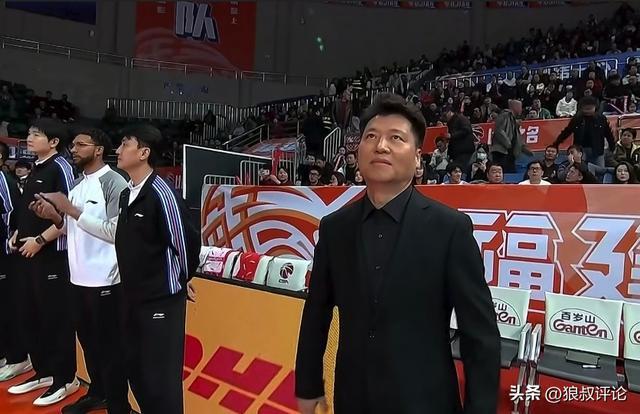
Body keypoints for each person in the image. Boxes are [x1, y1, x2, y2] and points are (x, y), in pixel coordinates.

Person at [295, 93, 500, 414]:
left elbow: (480, 335)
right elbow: (316, 313)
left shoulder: (450, 229)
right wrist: (308, 386)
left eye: (396, 138)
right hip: (353, 400)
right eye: (371, 137)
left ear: (418, 159)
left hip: (426, 403)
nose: (381, 146)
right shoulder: (335, 228)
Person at [39, 124, 200, 414]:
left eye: (126, 144)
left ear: (144, 153)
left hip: (159, 299)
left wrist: (181, 277)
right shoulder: (128, 194)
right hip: (130, 295)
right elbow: (123, 239)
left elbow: (185, 241)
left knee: (160, 379)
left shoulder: (161, 193)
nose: (119, 150)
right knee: (137, 372)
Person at [28, 128, 130, 414]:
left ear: (98, 149)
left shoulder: (114, 182)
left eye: (81, 144)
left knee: (110, 347)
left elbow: (116, 232)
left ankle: (118, 404)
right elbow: (71, 227)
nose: (73, 149)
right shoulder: (77, 184)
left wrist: (71, 211)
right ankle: (97, 393)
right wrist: (54, 216)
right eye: (73, 145)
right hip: (77, 277)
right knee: (89, 343)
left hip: (106, 279)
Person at [7, 118, 79, 406]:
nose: (29, 138)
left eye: (36, 134)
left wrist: (40, 240)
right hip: (26, 254)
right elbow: (27, 212)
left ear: (54, 142)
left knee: (55, 319)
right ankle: (44, 371)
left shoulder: (61, 168)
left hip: (52, 256)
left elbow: (70, 214)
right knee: (30, 315)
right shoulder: (35, 168)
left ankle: (66, 378)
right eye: (29, 133)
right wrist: (17, 234)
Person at [0, 142, 26, 382]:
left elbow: (11, 215)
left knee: (7, 308)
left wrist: (9, 245)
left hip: (5, 255)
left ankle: (18, 357)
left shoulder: (3, 181)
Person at [553, 96, 615, 168]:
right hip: (580, 150)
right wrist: (556, 143)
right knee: (580, 169)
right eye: (586, 109)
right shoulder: (577, 118)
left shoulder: (601, 118)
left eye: (590, 109)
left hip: (597, 150)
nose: (588, 111)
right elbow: (567, 132)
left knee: (600, 170)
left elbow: (608, 133)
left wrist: (612, 147)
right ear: (581, 108)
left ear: (595, 107)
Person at [491, 99, 532, 173]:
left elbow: (517, 138)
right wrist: (508, 144)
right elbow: (499, 130)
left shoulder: (513, 120)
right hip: (501, 151)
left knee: (511, 171)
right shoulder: (505, 115)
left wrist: (525, 150)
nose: (521, 109)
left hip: (509, 152)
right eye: (520, 107)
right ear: (515, 107)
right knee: (502, 172)